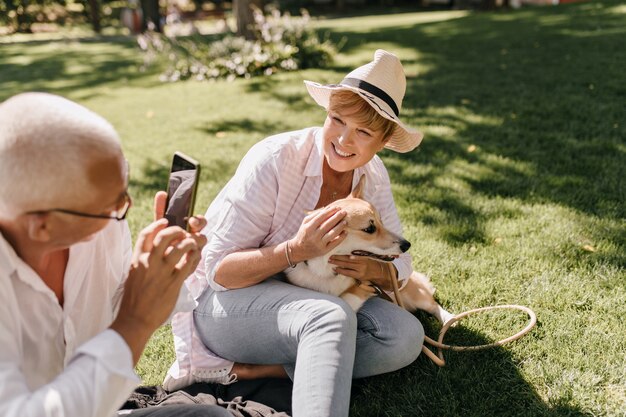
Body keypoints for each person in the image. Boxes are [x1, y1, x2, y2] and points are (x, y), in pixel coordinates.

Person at [165, 50, 426, 417]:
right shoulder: (274, 159)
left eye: (363, 132)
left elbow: (400, 262)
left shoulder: (373, 174)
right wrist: (295, 249)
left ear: (382, 142)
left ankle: (252, 372)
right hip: (223, 308)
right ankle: (262, 362)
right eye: (336, 120)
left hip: (306, 304)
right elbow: (219, 273)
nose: (344, 140)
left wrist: (374, 270)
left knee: (404, 336)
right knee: (331, 315)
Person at [0, 93, 232, 417]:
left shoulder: (102, 227)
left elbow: (122, 307)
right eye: (109, 205)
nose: (125, 206)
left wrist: (160, 275)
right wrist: (135, 323)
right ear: (42, 226)